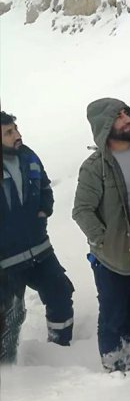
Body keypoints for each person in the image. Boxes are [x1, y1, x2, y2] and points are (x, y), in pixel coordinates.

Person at [72, 99, 130, 374]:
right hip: (113, 257)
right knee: (112, 315)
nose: (125, 118)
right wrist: (103, 241)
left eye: (126, 113)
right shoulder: (95, 166)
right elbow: (81, 210)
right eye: (118, 116)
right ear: (104, 126)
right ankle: (113, 368)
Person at [0, 111, 74, 350]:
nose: (18, 135)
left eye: (16, 129)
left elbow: (44, 186)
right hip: (6, 261)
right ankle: (8, 369)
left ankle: (60, 347)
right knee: (9, 316)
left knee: (60, 291)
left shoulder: (28, 155)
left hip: (39, 248)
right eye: (9, 132)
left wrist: (45, 210)